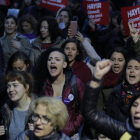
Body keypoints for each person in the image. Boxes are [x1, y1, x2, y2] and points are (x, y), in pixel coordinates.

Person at [82, 59, 140, 140]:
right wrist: (96, 79)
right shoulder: (123, 132)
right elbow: (90, 113)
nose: (137, 110)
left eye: (137, 68)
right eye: (135, 105)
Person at [34, 48, 85, 139]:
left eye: (57, 59)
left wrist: (73, 126)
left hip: (70, 136)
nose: (52, 62)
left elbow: (84, 108)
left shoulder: (75, 83)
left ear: (64, 64)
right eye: (50, 59)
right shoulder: (42, 85)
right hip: (47, 135)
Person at [0, 71, 37, 140]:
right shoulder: (5, 109)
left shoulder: (40, 109)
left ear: (26, 87)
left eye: (15, 85)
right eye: (8, 86)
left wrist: (39, 133)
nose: (10, 90)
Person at [106, 57, 140, 122]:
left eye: (136, 68)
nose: (132, 71)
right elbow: (108, 119)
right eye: (129, 68)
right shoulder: (115, 92)